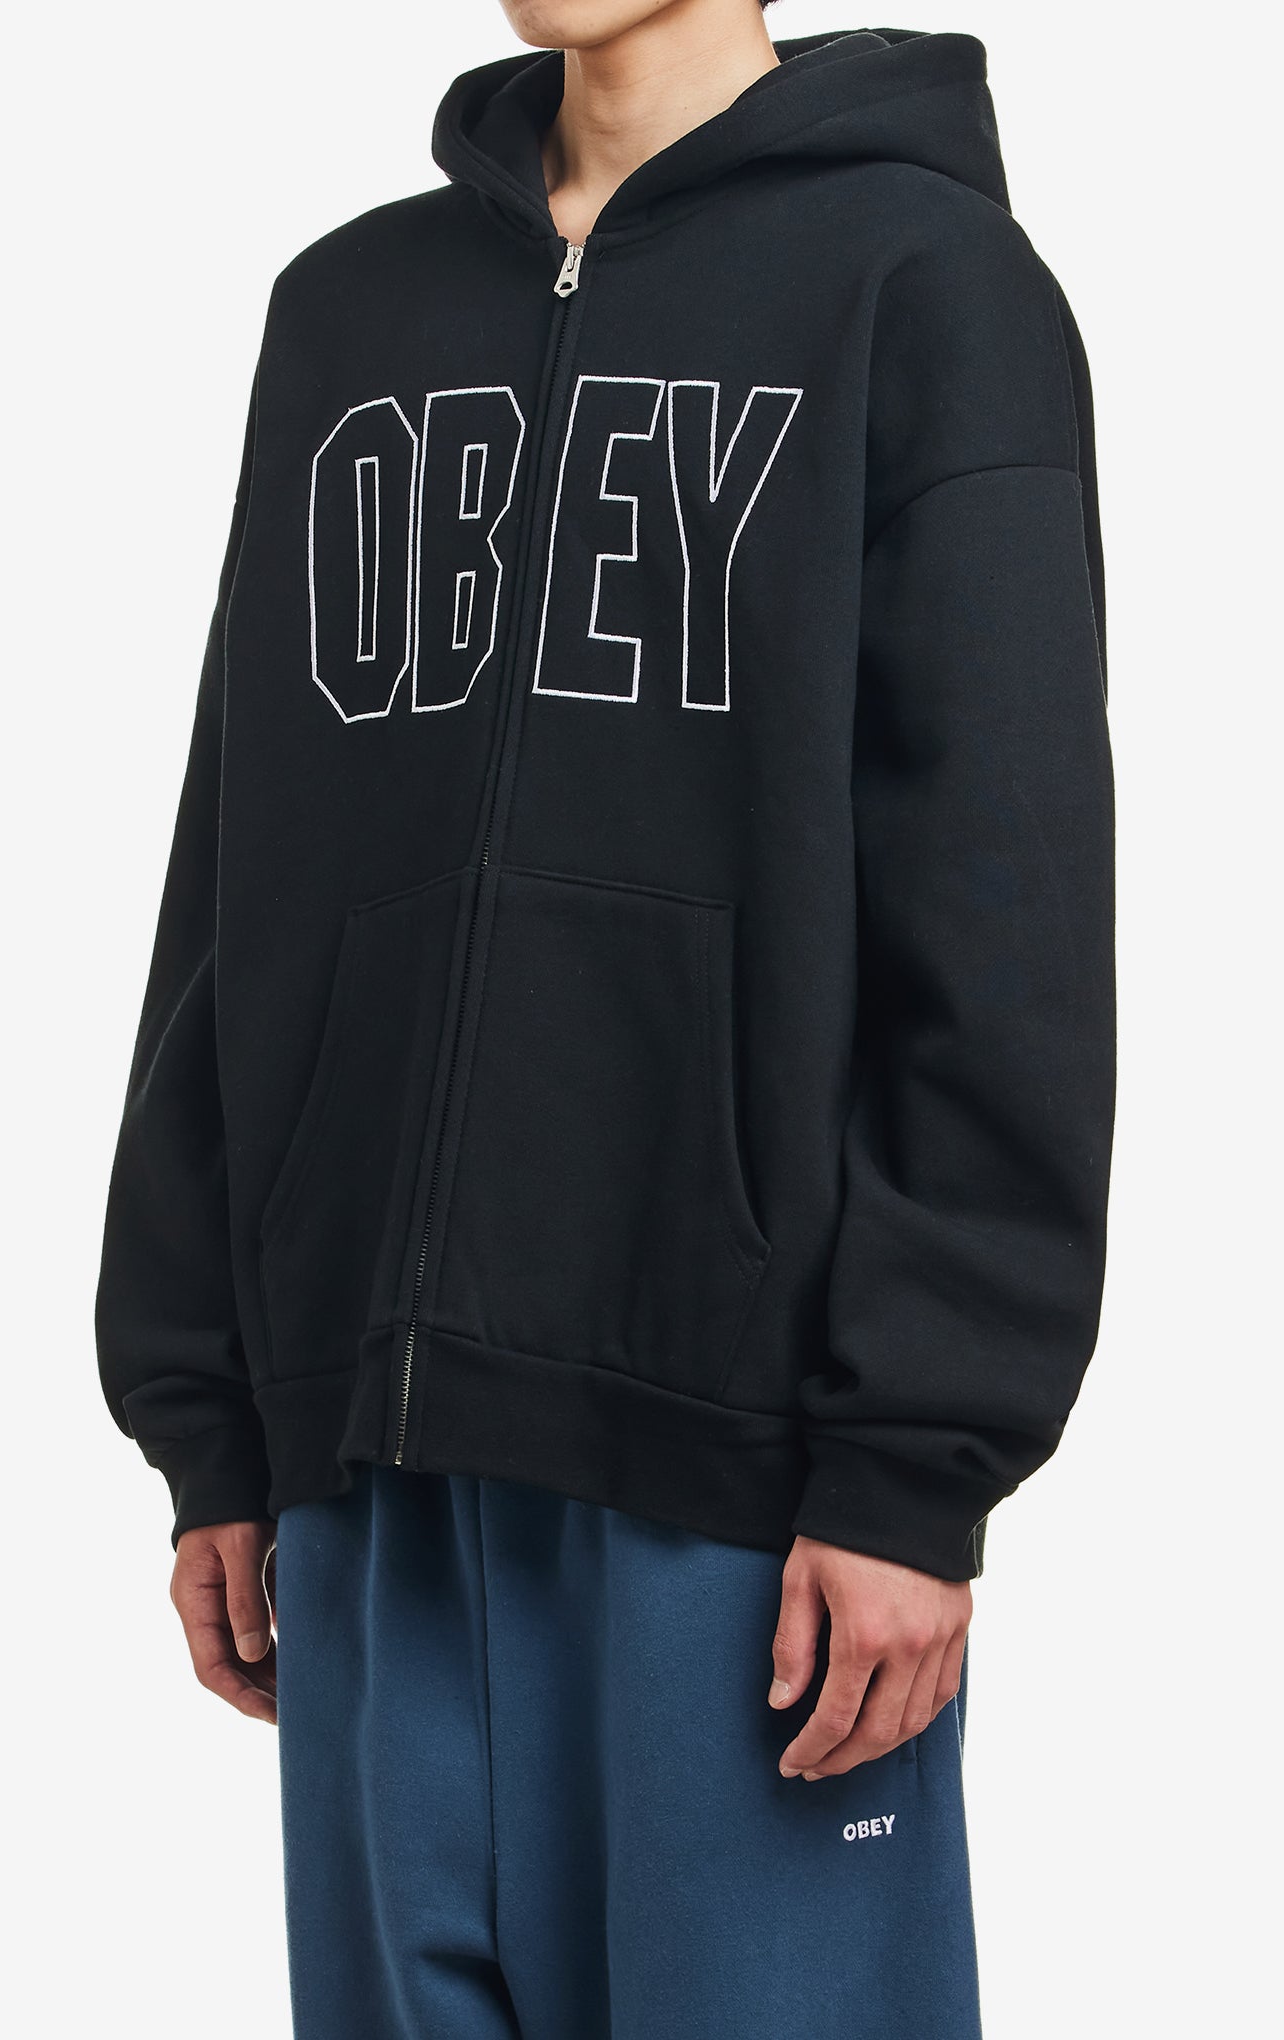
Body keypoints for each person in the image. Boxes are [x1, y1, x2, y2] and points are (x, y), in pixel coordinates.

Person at [94, 5, 1115, 2034]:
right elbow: (241, 864)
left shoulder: (925, 288)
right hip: (366, 1473)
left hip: (740, 1493)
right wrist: (207, 1405)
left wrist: (913, 1459)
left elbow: (998, 902)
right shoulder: (348, 313)